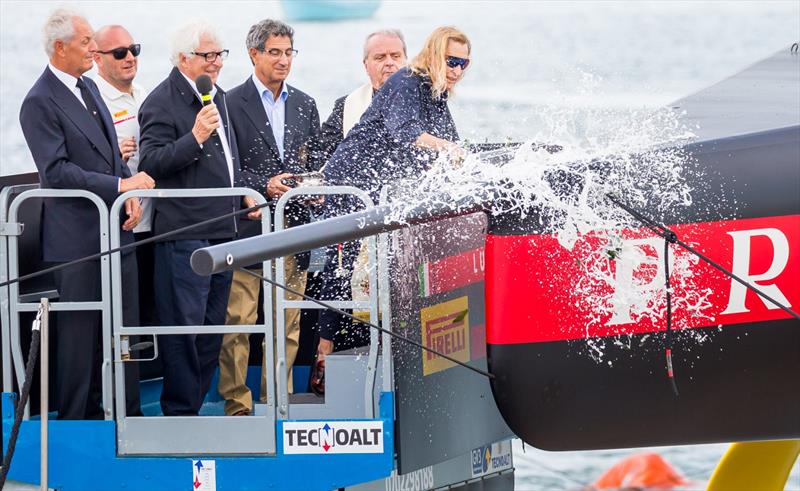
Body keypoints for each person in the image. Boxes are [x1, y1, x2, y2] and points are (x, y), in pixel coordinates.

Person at [19, 8, 153, 419]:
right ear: (59, 48)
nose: (93, 48)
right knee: (80, 337)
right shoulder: (38, 102)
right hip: (77, 240)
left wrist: (126, 194)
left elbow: (110, 152)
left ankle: (129, 416)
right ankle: (77, 423)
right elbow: (55, 171)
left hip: (117, 230)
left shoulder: (90, 88)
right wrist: (119, 186)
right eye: (85, 42)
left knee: (124, 329)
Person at [316, 26, 472, 363]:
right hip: (351, 180)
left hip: (380, 187)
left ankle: (389, 354)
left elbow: (452, 141)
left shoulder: (435, 92)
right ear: (433, 54)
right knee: (338, 267)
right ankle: (322, 353)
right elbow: (406, 133)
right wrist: (447, 149)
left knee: (387, 269)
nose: (457, 70)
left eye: (464, 63)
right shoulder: (407, 81)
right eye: (451, 61)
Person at [138, 19, 247, 416]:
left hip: (223, 229)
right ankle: (180, 412)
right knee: (184, 329)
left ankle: (195, 406)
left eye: (220, 54)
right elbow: (150, 162)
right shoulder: (160, 101)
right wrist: (194, 137)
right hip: (185, 233)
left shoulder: (216, 96)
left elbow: (230, 162)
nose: (217, 62)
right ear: (184, 58)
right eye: (208, 55)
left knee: (211, 329)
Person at [219, 18, 321, 416]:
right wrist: (266, 184)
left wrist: (310, 186)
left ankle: (274, 397)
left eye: (288, 52)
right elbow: (227, 168)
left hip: (293, 228)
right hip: (247, 230)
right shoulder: (228, 103)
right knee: (239, 322)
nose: (283, 60)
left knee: (287, 321)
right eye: (274, 52)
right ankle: (236, 403)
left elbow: (316, 161)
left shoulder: (305, 103)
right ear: (254, 54)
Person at [93, 25, 156, 329]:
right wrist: (111, 153)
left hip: (155, 223)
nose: (130, 57)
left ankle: (144, 375)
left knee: (150, 314)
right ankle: (118, 376)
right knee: (121, 316)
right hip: (117, 226)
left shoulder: (145, 95)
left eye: (135, 50)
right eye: (119, 53)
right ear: (97, 58)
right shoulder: (94, 101)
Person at [316, 29, 407, 162]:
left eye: (395, 56)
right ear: (366, 66)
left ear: (406, 61)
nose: (389, 62)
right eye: (380, 57)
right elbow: (320, 156)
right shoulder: (347, 105)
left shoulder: (427, 101)